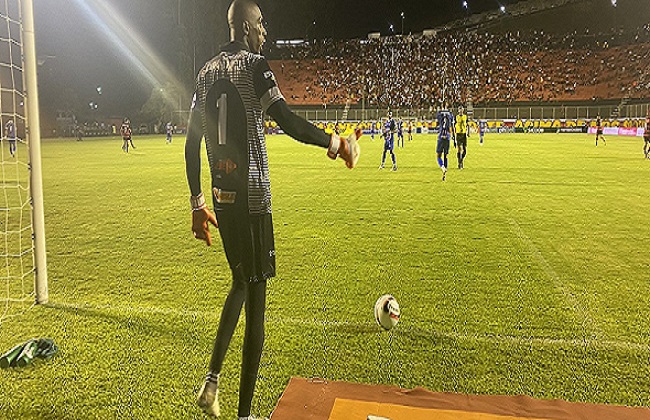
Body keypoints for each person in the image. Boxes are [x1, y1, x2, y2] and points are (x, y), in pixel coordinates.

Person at [184, 1, 360, 419]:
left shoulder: (205, 74)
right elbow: (286, 119)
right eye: (260, 23)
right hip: (254, 198)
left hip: (223, 198)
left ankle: (212, 380)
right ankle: (246, 416)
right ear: (245, 27)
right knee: (257, 304)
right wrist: (336, 144)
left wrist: (197, 204)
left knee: (239, 282)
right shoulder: (255, 65)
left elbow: (192, 145)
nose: (264, 29)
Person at [436, 104, 455, 181]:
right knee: (446, 155)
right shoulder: (450, 114)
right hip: (447, 136)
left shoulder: (439, 113)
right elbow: (451, 127)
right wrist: (453, 137)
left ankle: (443, 168)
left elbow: (438, 122)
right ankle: (444, 174)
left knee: (438, 155)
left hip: (441, 136)